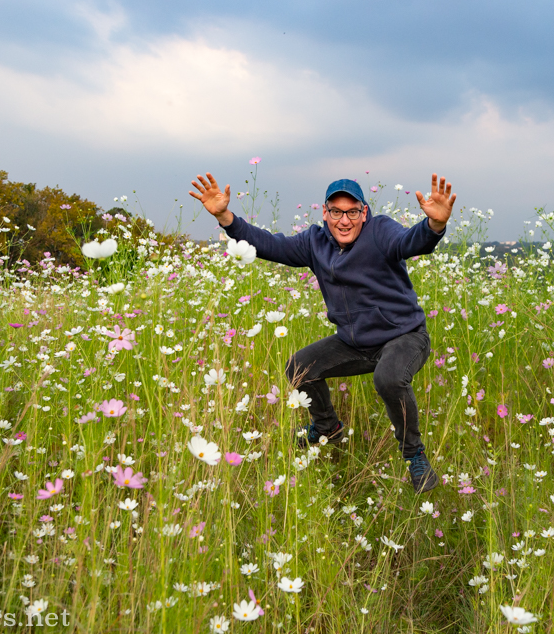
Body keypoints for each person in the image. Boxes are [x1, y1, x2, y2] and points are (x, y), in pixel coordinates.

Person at [189, 172, 457, 493]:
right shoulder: (314, 242)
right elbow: (270, 245)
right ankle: (327, 428)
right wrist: (224, 217)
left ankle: (414, 455)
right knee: (299, 367)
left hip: (404, 336)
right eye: (336, 212)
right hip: (355, 343)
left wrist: (434, 227)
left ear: (364, 213)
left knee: (388, 378)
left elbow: (408, 242)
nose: (344, 220)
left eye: (352, 212)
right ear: (325, 214)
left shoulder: (381, 231)